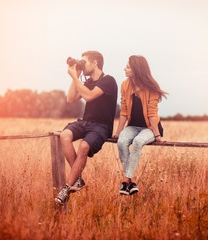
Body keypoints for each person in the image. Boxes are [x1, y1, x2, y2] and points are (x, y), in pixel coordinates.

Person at [55, 51, 118, 204]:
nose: (82, 65)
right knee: (64, 135)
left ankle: (67, 188)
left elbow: (89, 96)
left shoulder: (108, 81)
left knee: (84, 146)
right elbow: (71, 98)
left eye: (84, 62)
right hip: (85, 122)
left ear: (95, 63)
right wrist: (75, 74)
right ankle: (78, 179)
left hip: (101, 126)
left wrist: (76, 77)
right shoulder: (88, 82)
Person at [113, 55, 167, 195]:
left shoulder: (151, 87)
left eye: (128, 67)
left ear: (136, 70)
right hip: (132, 126)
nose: (124, 69)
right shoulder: (125, 85)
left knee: (137, 142)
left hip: (150, 128)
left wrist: (157, 135)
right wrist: (118, 132)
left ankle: (125, 181)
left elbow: (152, 114)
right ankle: (131, 183)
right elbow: (124, 111)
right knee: (122, 141)